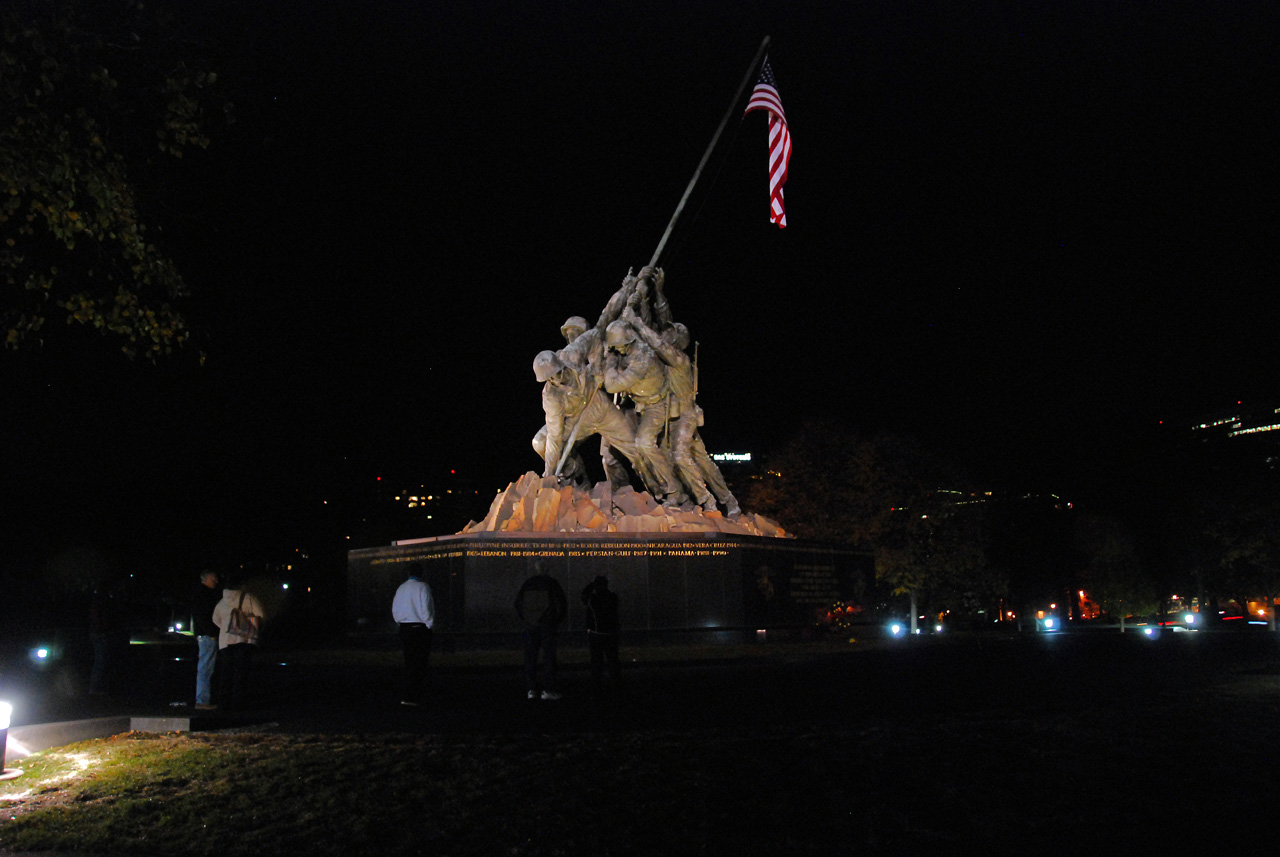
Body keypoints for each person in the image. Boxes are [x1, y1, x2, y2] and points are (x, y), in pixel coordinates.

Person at [211, 576, 265, 711]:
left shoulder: (222, 601)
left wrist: (226, 628)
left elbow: (215, 619)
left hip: (225, 641)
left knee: (226, 672)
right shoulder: (248, 598)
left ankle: (223, 703)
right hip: (245, 640)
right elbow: (261, 615)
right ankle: (239, 703)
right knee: (241, 672)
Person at [514, 568, 567, 700]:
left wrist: (526, 620)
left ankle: (531, 689)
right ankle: (548, 689)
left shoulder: (528, 583)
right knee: (549, 658)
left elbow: (517, 603)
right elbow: (562, 603)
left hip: (530, 627)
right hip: (547, 626)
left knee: (530, 657)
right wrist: (556, 620)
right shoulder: (552, 583)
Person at [391, 562, 435, 707]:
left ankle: (408, 695)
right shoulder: (423, 587)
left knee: (409, 662)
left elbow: (395, 610)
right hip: (419, 628)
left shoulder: (401, 588)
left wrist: (401, 623)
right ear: (421, 573)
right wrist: (429, 626)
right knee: (420, 663)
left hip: (404, 628)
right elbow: (426, 610)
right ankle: (416, 695)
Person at [581, 575, 620, 694]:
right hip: (611, 634)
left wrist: (591, 584)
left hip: (596, 634)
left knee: (596, 661)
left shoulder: (592, 599)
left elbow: (583, 595)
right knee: (612, 660)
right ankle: (615, 684)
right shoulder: (613, 597)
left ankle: (597, 685)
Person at [191, 569, 222, 709]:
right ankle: (202, 700)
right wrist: (212, 631)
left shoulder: (200, 593)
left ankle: (203, 699)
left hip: (204, 634)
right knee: (206, 668)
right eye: (213, 578)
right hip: (207, 635)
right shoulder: (205, 595)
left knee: (205, 668)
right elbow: (204, 617)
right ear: (205, 578)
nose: (215, 581)